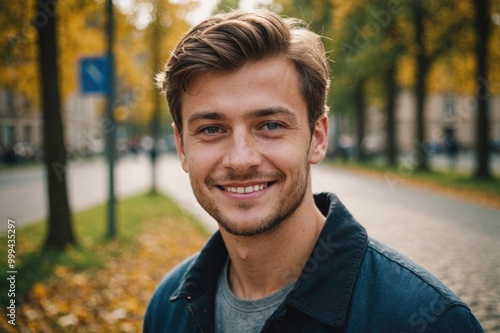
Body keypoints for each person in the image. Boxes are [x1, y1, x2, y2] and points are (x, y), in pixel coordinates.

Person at [143, 9, 484, 333]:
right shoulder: (167, 307)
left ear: (318, 138)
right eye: (211, 129)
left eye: (270, 125)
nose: (240, 160)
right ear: (182, 147)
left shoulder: (426, 319)